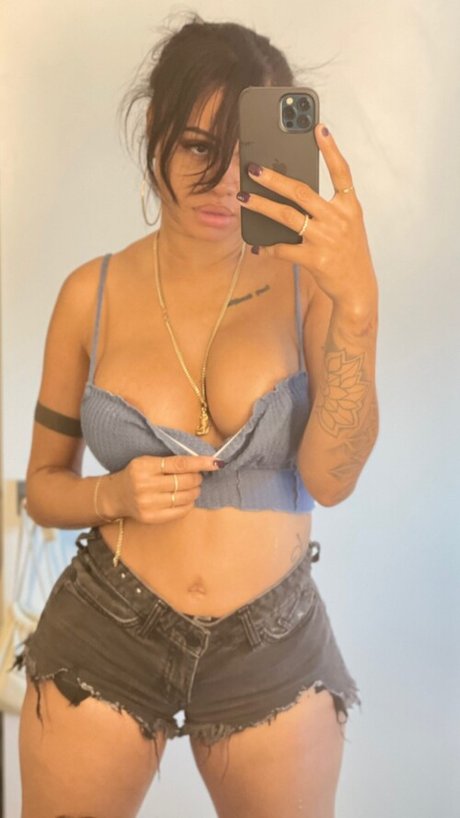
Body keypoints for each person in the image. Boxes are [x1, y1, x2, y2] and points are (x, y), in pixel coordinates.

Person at [13, 14, 379, 818]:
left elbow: (332, 479)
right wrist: (114, 495)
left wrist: (357, 305)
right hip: (106, 628)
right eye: (199, 148)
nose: (225, 185)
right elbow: (44, 489)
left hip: (272, 643)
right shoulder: (88, 295)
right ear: (156, 129)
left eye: (251, 158)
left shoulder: (310, 288)